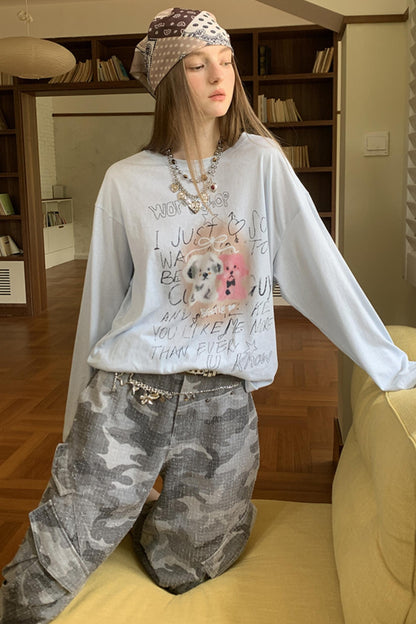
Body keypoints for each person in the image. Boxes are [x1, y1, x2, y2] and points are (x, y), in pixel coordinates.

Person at [1, 7, 416, 623]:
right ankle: (108, 503)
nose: (220, 77)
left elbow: (322, 271)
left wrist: (392, 366)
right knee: (42, 575)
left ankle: (133, 511)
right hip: (127, 396)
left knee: (187, 567)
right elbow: (101, 307)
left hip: (221, 405)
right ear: (170, 81)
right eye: (198, 65)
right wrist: (73, 432)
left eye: (226, 62)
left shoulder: (261, 162)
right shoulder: (124, 181)